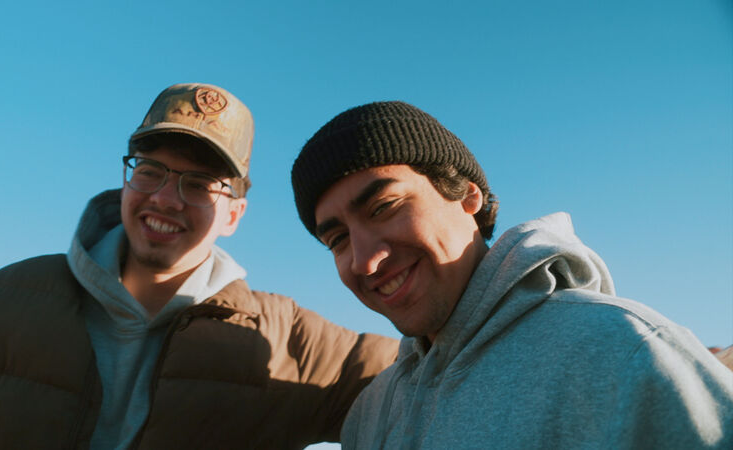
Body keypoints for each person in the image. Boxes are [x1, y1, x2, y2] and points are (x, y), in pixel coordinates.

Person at [0, 84, 398, 449]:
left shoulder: (286, 339)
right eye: (150, 170)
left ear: (235, 215)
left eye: (198, 183)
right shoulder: (2, 298)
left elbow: (438, 359)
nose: (164, 198)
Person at [291, 101, 733, 449]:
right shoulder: (369, 415)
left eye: (384, 207)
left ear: (467, 197)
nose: (364, 261)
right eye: (338, 240)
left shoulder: (624, 352)